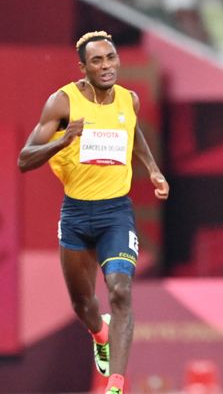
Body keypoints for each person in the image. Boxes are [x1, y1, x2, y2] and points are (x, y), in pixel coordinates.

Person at [17, 31, 169, 394]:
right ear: (83, 67)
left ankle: (115, 385)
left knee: (120, 290)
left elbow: (133, 135)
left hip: (116, 213)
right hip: (75, 215)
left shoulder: (128, 101)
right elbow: (24, 159)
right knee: (83, 303)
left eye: (111, 58)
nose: (106, 66)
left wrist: (152, 168)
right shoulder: (62, 103)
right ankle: (99, 332)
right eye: (97, 61)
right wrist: (63, 140)